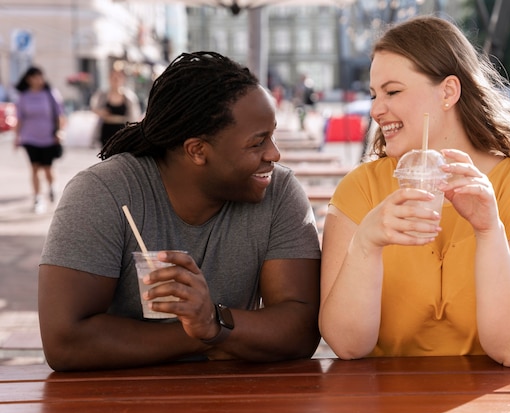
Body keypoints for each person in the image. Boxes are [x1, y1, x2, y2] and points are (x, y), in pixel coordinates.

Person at [39, 51, 321, 371]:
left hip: (235, 395)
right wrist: (207, 333)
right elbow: (64, 341)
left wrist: (214, 323)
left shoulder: (279, 191)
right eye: (258, 143)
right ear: (197, 150)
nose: (275, 153)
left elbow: (301, 329)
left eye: (272, 135)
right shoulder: (104, 193)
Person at [318, 16, 510, 367]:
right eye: (374, 94)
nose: (375, 109)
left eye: (392, 91)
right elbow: (348, 345)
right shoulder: (360, 189)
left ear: (448, 91)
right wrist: (366, 243)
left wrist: (489, 230)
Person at [13, 66, 65, 213]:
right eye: (36, 77)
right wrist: (17, 137)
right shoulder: (23, 97)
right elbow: (19, 119)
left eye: (40, 76)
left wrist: (60, 131)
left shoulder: (50, 94)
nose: (39, 80)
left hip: (48, 137)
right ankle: (37, 198)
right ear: (29, 79)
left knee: (48, 168)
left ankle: (52, 187)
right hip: (29, 137)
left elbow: (59, 115)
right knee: (34, 168)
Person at [90, 61, 142, 148]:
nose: (116, 79)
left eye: (118, 77)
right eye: (113, 77)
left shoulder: (129, 97)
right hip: (106, 131)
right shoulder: (102, 95)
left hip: (122, 132)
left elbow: (134, 116)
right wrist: (101, 112)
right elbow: (93, 108)